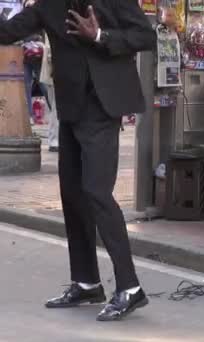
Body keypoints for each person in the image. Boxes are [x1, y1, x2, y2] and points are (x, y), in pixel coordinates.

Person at [0, 0, 156, 321]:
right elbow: (9, 31)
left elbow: (144, 36)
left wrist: (100, 35)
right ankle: (87, 282)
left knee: (97, 193)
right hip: (72, 108)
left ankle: (129, 287)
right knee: (72, 195)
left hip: (102, 105)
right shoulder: (49, 5)